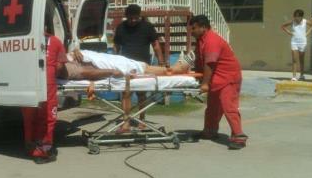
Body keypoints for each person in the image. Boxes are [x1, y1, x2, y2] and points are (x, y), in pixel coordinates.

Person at [190, 15, 248, 150]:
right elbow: (199, 60)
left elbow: (209, 64)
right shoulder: (200, 40)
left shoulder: (212, 40)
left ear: (203, 27)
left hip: (228, 78)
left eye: (194, 28)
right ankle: (209, 131)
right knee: (212, 108)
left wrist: (204, 83)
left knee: (229, 107)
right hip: (216, 79)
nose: (191, 32)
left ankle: (239, 136)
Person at [21, 9, 67, 164]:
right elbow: (60, 66)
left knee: (29, 116)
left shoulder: (24, 41)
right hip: (47, 83)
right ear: (47, 26)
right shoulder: (55, 41)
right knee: (48, 117)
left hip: (27, 82)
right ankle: (43, 150)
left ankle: (29, 145)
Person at [113, 4, 165, 129]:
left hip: (143, 66)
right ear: (126, 16)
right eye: (131, 18)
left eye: (136, 18)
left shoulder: (147, 27)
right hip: (126, 66)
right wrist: (114, 62)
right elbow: (116, 47)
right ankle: (126, 121)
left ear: (139, 16)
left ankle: (142, 120)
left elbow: (156, 45)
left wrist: (161, 62)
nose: (133, 21)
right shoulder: (121, 28)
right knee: (126, 93)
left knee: (142, 94)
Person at [57, 49, 190, 80]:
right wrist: (110, 72)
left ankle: (175, 68)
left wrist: (75, 50)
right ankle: (176, 70)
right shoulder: (63, 68)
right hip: (106, 65)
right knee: (142, 67)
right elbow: (85, 72)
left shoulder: (60, 59)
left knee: (141, 65)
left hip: (105, 59)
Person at [280, 9, 312, 81]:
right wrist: (289, 32)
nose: (296, 18)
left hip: (303, 42)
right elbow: (283, 26)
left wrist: (307, 33)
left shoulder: (305, 21)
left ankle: (302, 75)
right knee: (294, 60)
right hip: (294, 42)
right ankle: (294, 76)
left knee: (301, 60)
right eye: (295, 16)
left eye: (298, 16)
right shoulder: (292, 21)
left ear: (301, 16)